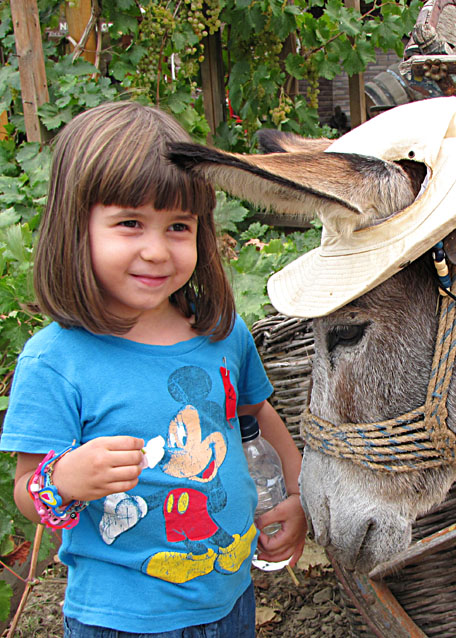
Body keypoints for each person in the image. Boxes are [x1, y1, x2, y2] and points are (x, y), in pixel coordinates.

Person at [0, 101, 306, 637]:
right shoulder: (55, 361)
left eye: (178, 227)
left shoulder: (220, 332)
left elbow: (257, 416)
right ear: (76, 228)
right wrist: (65, 479)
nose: (157, 251)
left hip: (230, 598)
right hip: (117, 619)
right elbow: (28, 489)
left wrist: (298, 496)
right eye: (130, 224)